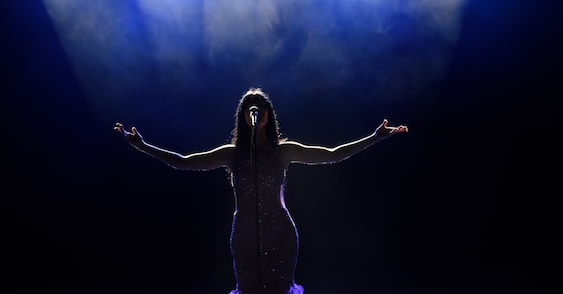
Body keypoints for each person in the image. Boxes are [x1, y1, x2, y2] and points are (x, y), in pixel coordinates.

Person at [114, 87, 408, 294]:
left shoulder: (284, 151)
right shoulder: (232, 154)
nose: (255, 111)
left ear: (268, 114)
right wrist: (142, 146)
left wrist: (374, 137)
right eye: (248, 107)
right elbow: (183, 161)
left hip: (280, 233)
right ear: (244, 116)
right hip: (244, 234)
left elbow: (332, 154)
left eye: (260, 107)